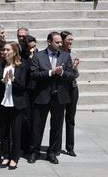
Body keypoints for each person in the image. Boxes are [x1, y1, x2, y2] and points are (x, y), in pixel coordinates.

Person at [29, 32, 76, 164]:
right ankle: (34, 151)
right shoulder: (38, 56)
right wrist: (50, 72)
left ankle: (52, 152)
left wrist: (62, 73)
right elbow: (33, 74)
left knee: (56, 127)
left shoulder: (66, 56)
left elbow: (72, 75)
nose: (60, 44)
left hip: (60, 97)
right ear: (49, 42)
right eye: (57, 42)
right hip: (42, 96)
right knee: (37, 126)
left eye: (61, 42)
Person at [0, 42, 28, 170]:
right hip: (2, 103)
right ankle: (6, 155)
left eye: (8, 50)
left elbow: (23, 86)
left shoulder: (22, 66)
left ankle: (14, 158)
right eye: (4, 50)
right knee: (4, 132)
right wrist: (2, 81)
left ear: (14, 52)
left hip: (16, 103)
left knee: (16, 132)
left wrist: (13, 80)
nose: (5, 52)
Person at [60, 31, 80, 157]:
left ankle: (70, 147)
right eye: (68, 40)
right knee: (57, 119)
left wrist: (74, 68)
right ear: (62, 41)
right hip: (61, 88)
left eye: (72, 40)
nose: (71, 42)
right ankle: (56, 146)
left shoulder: (74, 53)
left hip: (72, 88)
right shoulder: (58, 53)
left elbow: (76, 75)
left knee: (70, 118)